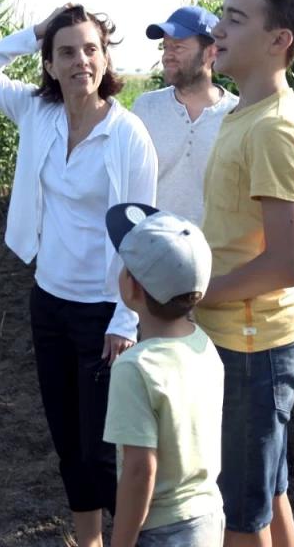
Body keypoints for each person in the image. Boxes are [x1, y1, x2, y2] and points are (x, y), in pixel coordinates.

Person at [0, 4, 158, 547]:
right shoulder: (36, 114)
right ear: (48, 63)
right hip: (48, 301)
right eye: (66, 52)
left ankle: (130, 538)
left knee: (101, 446)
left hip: (104, 312)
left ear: (105, 58)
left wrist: (125, 317)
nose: (80, 61)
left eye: (91, 49)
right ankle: (87, 540)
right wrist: (36, 32)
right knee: (67, 438)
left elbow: (140, 233)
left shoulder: (127, 134)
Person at [196, 0, 294, 547]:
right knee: (267, 492)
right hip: (251, 340)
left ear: (279, 41)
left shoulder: (272, 128)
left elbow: (285, 265)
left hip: (252, 345)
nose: (217, 28)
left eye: (235, 19)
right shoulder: (245, 114)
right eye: (222, 14)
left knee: (238, 516)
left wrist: (194, 295)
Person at [103, 202, 224, 547]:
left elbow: (140, 470)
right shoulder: (204, 346)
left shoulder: (135, 369)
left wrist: (121, 543)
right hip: (208, 517)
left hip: (163, 531)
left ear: (134, 288)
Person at [132, 6, 238, 226]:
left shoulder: (237, 115)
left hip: (216, 256)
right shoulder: (146, 108)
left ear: (211, 52)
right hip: (153, 251)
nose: (167, 56)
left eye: (178, 47)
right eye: (165, 47)